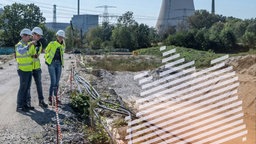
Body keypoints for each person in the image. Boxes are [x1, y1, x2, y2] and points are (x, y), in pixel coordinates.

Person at [15, 28, 35, 112]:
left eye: (29, 36)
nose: (29, 38)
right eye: (28, 36)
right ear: (23, 36)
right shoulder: (19, 45)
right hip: (23, 70)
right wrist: (28, 46)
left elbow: (28, 56)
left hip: (29, 69)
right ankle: (19, 106)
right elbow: (21, 52)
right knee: (23, 88)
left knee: (27, 88)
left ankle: (25, 105)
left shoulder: (27, 44)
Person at [44, 30, 65, 105]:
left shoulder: (63, 45)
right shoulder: (52, 43)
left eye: (62, 37)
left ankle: (56, 98)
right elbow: (46, 51)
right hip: (52, 64)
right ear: (57, 36)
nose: (60, 38)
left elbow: (62, 55)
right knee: (53, 81)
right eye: (59, 36)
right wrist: (47, 60)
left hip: (59, 64)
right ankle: (50, 98)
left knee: (57, 82)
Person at [30, 27, 48, 108]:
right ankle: (27, 103)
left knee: (39, 85)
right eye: (38, 35)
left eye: (40, 36)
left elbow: (37, 56)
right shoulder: (28, 43)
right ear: (33, 35)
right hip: (28, 68)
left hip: (37, 68)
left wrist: (35, 56)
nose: (39, 37)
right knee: (27, 86)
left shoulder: (40, 44)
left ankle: (41, 101)